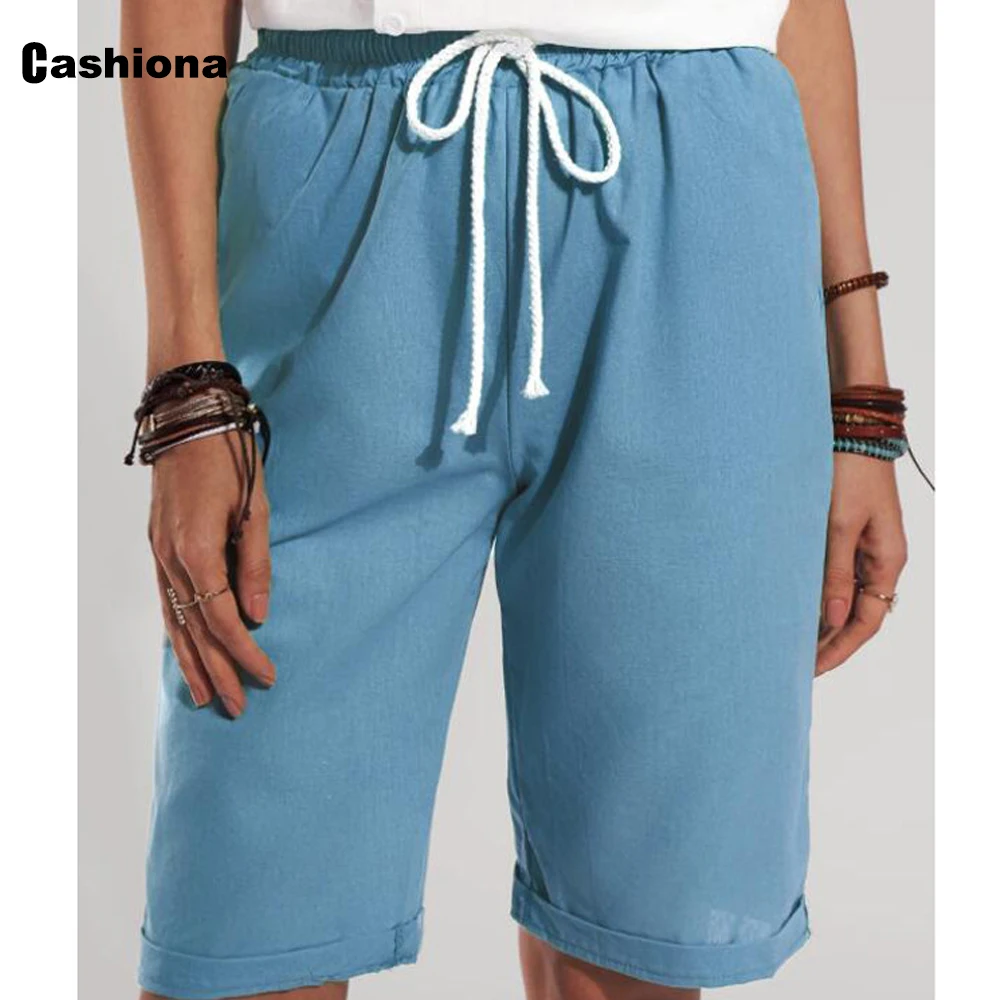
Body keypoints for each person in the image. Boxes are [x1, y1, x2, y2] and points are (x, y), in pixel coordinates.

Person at [121, 1, 909, 998]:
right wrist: (185, 380)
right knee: (244, 924)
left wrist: (861, 394)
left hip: (703, 214)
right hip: (346, 184)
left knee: (635, 939)